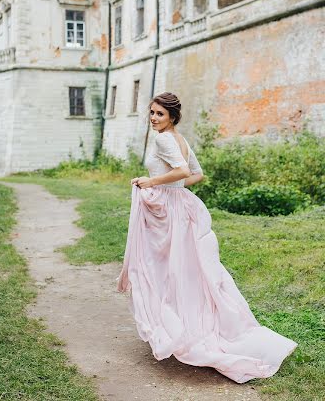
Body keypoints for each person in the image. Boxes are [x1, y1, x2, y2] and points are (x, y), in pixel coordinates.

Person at [116, 91, 298, 384]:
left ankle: (178, 327)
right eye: (151, 112)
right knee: (188, 270)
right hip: (178, 206)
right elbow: (196, 176)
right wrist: (172, 189)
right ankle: (187, 322)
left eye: (159, 114)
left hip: (168, 212)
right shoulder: (180, 139)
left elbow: (184, 170)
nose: (153, 118)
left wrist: (152, 183)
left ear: (172, 117)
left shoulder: (164, 139)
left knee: (161, 269)